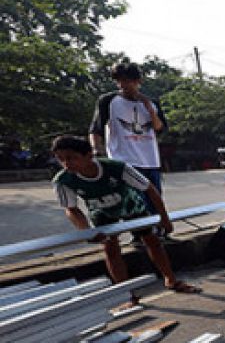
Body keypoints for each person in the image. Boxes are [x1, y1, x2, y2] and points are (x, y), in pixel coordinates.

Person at [51, 136, 201, 305]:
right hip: (101, 210)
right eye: (61, 159)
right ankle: (126, 293)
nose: (66, 164)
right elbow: (71, 209)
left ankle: (171, 279)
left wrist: (164, 219)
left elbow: (150, 189)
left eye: (72, 158)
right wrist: (86, 230)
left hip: (129, 204)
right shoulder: (63, 180)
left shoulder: (116, 168)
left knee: (152, 241)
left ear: (89, 155)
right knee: (110, 249)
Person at [89, 62, 170, 219]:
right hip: (124, 160)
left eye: (128, 81)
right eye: (119, 81)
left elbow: (160, 128)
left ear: (138, 81)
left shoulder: (151, 102)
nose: (123, 85)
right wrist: (96, 149)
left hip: (150, 160)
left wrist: (149, 109)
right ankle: (140, 237)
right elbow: (96, 128)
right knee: (134, 202)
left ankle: (158, 233)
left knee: (155, 200)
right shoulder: (108, 100)